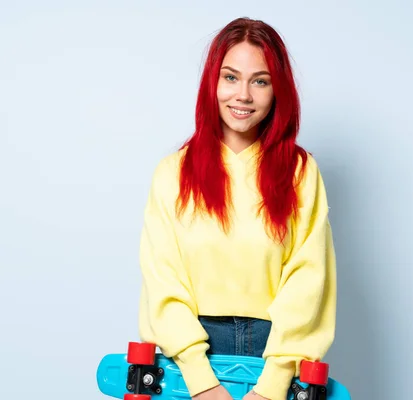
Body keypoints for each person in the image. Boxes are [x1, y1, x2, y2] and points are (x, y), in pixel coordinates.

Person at [137, 17, 337, 400]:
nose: (243, 95)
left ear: (278, 91)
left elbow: (308, 280)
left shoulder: (300, 172)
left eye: (260, 81)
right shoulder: (172, 174)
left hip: (275, 352)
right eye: (231, 77)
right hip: (189, 358)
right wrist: (201, 381)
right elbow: (163, 281)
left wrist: (273, 384)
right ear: (212, 83)